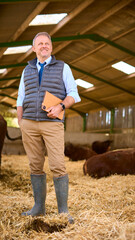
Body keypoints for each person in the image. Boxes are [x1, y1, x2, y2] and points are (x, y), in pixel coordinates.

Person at [17, 32, 81, 223]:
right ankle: (38, 208)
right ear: (34, 48)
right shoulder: (26, 69)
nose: (44, 46)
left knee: (58, 166)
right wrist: (21, 122)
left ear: (51, 48)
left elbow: (73, 94)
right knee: (35, 165)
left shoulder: (63, 67)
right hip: (29, 123)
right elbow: (21, 97)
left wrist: (61, 106)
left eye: (47, 43)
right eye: (40, 44)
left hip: (52, 124)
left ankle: (63, 211)